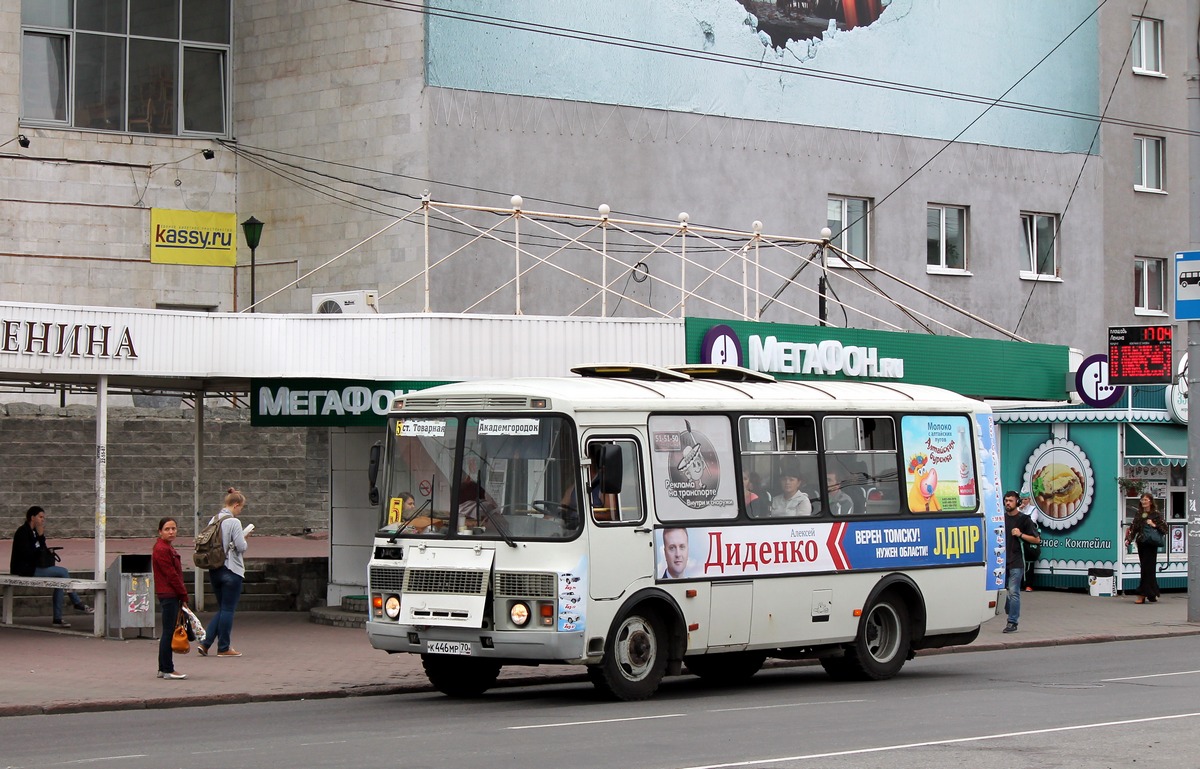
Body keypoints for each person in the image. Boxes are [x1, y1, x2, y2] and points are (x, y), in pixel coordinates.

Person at [9, 505, 93, 627]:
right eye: (40, 517)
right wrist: (39, 538)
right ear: (32, 517)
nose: (43, 520)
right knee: (63, 572)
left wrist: (41, 537)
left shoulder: (35, 532)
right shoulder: (22, 531)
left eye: (44, 517)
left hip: (34, 566)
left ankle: (57, 619)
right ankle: (77, 602)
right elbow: (28, 553)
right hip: (25, 569)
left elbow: (41, 549)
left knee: (60, 580)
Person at [198, 488, 250, 657]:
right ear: (235, 505)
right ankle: (223, 647)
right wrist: (244, 538)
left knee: (223, 609)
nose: (240, 511)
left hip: (215, 569)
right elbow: (241, 547)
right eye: (241, 507)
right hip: (231, 569)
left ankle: (207, 645)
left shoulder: (213, 520)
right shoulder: (234, 522)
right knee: (227, 610)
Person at [151, 516, 188, 680]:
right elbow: (171, 575)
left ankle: (163, 668)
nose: (171, 532)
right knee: (168, 632)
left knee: (168, 631)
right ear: (160, 532)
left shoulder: (165, 547)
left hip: (169, 593)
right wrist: (183, 593)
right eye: (167, 529)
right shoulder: (162, 549)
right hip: (169, 593)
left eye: (173, 528)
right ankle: (167, 669)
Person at [1003, 490, 1040, 633]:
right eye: (1006, 500)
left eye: (1011, 500)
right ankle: (1010, 608)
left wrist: (1021, 534)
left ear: (1017, 502)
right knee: (997, 591)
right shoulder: (1001, 518)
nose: (1007, 503)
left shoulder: (1024, 519)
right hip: (1001, 561)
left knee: (1013, 592)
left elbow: (1036, 539)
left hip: (1016, 561)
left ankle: (1012, 622)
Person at [1125, 493, 1166, 604]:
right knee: (1145, 568)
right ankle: (1152, 593)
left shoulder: (1156, 514)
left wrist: (1154, 524)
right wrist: (1129, 539)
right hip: (1142, 543)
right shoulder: (1139, 514)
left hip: (1151, 544)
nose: (1144, 502)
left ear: (1151, 502)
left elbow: (1164, 529)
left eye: (1146, 500)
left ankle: (1142, 594)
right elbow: (1134, 528)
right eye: (1142, 500)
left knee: (1148, 568)